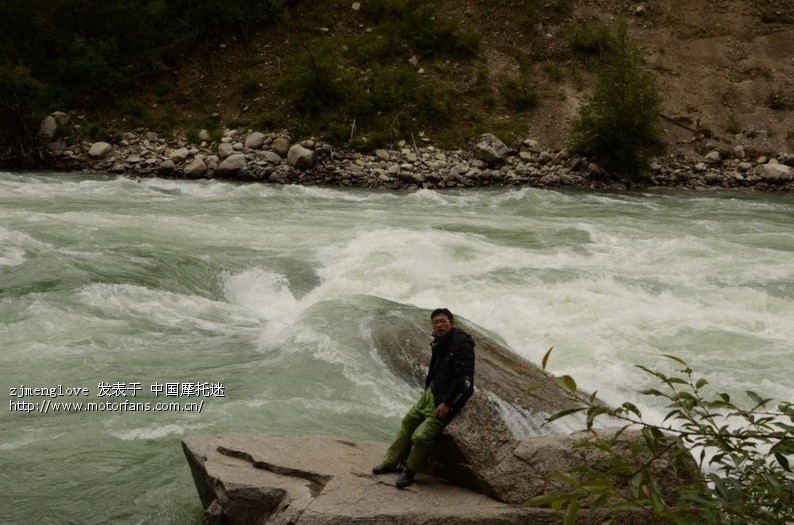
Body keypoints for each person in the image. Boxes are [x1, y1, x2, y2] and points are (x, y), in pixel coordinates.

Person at [372, 308, 475, 488]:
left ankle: (410, 471)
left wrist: (447, 403)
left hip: (445, 398)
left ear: (451, 323)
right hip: (432, 392)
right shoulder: (439, 342)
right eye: (436, 322)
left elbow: (463, 380)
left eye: (443, 321)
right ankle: (391, 461)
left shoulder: (462, 345)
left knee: (421, 437)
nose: (439, 325)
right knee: (408, 421)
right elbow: (436, 372)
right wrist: (428, 390)